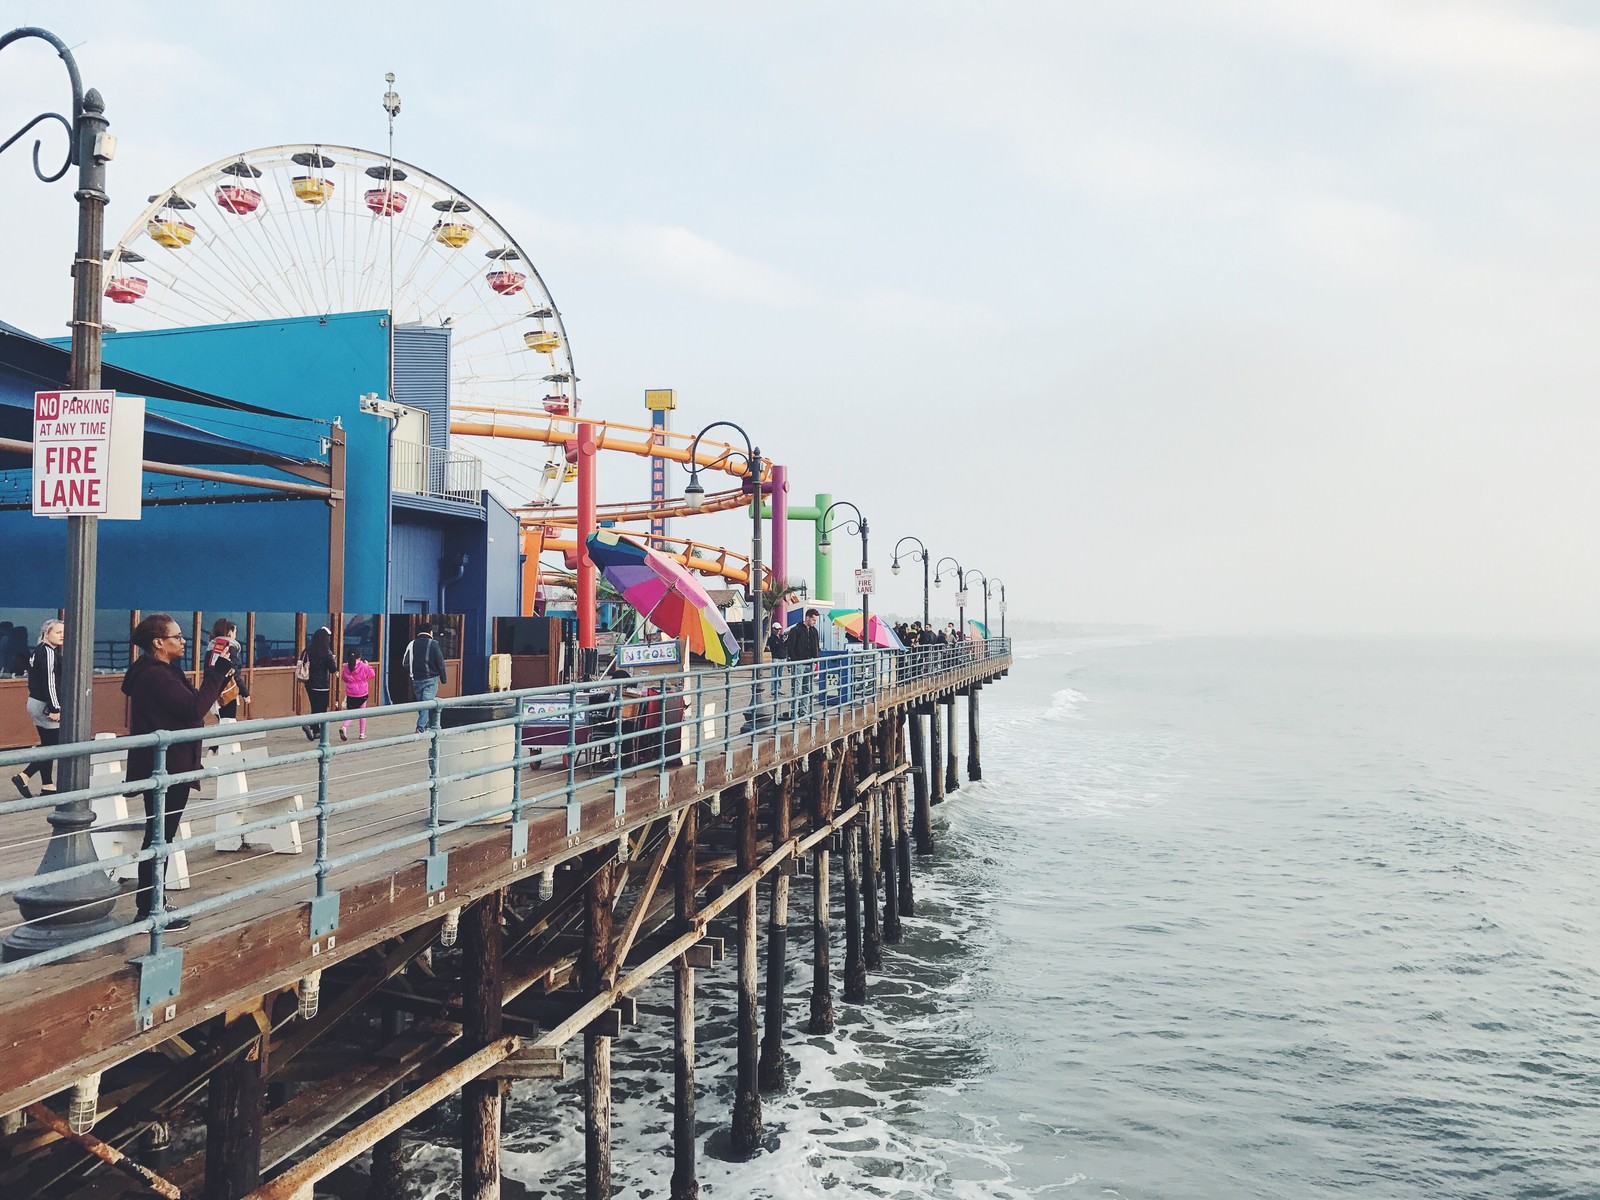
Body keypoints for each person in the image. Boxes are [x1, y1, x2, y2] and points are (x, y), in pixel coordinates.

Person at [123, 613, 231, 930]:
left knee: (160, 835)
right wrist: (217, 673)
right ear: (158, 642)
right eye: (178, 637)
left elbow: (188, 706)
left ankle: (152, 903)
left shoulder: (159, 672)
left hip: (168, 765)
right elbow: (192, 709)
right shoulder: (156, 676)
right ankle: (149, 908)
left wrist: (216, 676)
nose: (183, 642)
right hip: (167, 768)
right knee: (160, 836)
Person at [13, 618, 64, 798]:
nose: (62, 636)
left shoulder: (38, 651)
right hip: (45, 705)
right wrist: (55, 708)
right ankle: (24, 775)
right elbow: (50, 683)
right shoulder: (49, 653)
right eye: (58, 632)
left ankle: (48, 785)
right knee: (53, 745)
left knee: (47, 744)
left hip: (34, 701)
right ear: (46, 633)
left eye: (63, 633)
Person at [403, 622, 447, 733]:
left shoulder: (412, 644)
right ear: (430, 632)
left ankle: (425, 725)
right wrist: (443, 678)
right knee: (426, 704)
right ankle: (421, 727)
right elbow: (440, 662)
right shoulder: (434, 644)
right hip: (430, 679)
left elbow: (405, 662)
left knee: (422, 704)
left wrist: (413, 672)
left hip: (416, 680)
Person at [207, 619, 250, 723]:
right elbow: (234, 671)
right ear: (229, 632)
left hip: (213, 689)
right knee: (228, 722)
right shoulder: (230, 647)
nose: (235, 635)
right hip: (227, 690)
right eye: (235, 632)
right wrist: (245, 692)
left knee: (222, 720)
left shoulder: (212, 646)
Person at [300, 625, 339, 741]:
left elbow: (301, 662)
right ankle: (314, 728)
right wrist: (332, 659)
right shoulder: (326, 652)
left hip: (309, 683)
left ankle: (314, 728)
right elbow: (333, 669)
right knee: (321, 709)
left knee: (314, 706)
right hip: (322, 685)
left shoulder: (308, 650)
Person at [786, 608, 822, 719]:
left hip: (810, 662)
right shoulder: (796, 630)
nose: (814, 622)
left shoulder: (814, 631)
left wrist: (816, 660)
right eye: (813, 620)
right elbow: (790, 647)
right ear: (807, 617)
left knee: (807, 689)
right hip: (799, 663)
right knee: (796, 689)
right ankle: (794, 714)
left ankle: (803, 713)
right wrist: (796, 660)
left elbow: (816, 646)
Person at [339, 648, 375, 741]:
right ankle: (361, 733)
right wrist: (368, 665)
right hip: (362, 693)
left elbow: (344, 678)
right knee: (361, 713)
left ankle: (344, 727)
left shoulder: (346, 667)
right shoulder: (363, 666)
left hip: (351, 693)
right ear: (359, 657)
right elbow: (372, 675)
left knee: (352, 711)